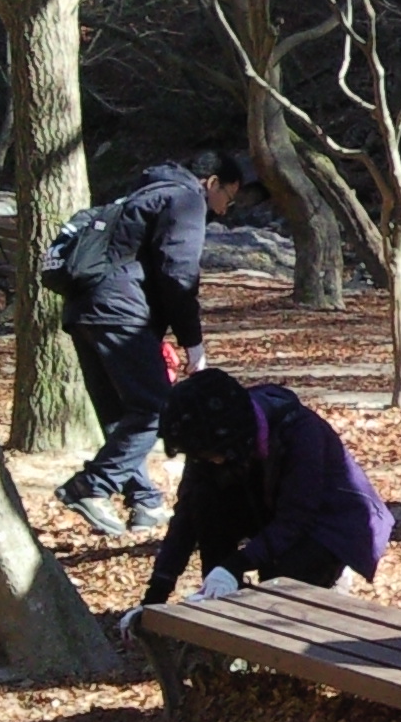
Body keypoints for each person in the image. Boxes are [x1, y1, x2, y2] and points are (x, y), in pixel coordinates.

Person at [55, 151, 254, 537]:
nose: (227, 211)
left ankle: (144, 501)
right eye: (230, 198)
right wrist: (194, 345)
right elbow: (178, 275)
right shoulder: (186, 200)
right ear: (212, 183)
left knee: (120, 413)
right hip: (118, 312)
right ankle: (91, 487)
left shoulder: (149, 192)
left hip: (84, 310)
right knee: (157, 409)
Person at [118, 368, 395, 644]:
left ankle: (316, 597)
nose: (209, 460)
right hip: (266, 505)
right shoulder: (207, 436)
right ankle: (223, 611)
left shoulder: (301, 433)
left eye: (211, 453)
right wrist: (155, 599)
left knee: (281, 579)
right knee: (205, 508)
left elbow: (296, 518)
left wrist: (235, 565)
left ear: (231, 436)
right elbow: (187, 517)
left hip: (332, 524)